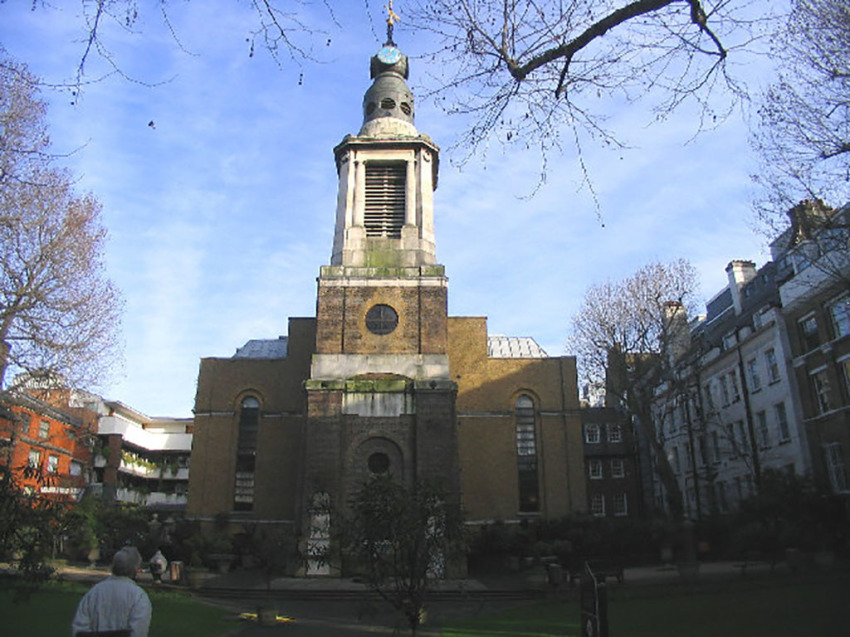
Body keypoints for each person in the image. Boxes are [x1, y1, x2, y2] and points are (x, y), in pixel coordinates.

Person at [71, 546, 152, 637]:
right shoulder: (139, 596)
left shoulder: (93, 593)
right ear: (135, 569)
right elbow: (138, 632)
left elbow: (79, 630)